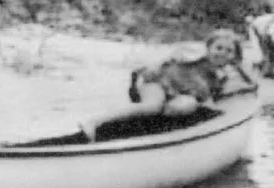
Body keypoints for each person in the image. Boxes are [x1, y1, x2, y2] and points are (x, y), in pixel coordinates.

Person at [80, 29, 256, 141]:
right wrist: (161, 63)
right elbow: (170, 59)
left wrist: (239, 66)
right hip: (158, 82)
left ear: (234, 56)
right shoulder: (192, 58)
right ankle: (94, 122)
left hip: (177, 96)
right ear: (209, 48)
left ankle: (157, 134)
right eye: (219, 48)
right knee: (152, 106)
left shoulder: (220, 76)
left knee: (187, 105)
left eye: (228, 51)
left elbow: (252, 84)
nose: (222, 54)